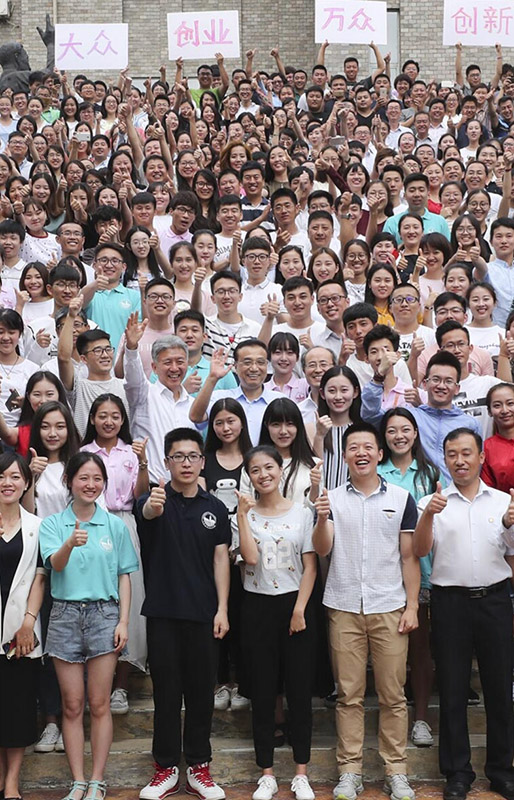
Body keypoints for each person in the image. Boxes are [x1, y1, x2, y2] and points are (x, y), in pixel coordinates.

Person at [312, 422, 420, 800]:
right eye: (353, 447)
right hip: (343, 605)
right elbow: (322, 550)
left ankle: (396, 771)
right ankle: (350, 771)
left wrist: (412, 606)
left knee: (393, 694)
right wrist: (321, 518)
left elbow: (409, 557)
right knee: (349, 695)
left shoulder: (402, 498)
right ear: (344, 456)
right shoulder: (331, 499)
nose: (361, 453)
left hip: (389, 606)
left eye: (367, 447)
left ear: (379, 453)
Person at [414, 428, 514, 800]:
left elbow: (510, 552)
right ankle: (457, 773)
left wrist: (509, 524)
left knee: (499, 689)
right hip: (449, 603)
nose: (460, 461)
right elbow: (420, 550)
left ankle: (502, 770)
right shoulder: (432, 502)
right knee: (453, 689)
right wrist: (428, 516)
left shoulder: (502, 501)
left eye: (467, 453)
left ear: (481, 457)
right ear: (445, 459)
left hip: (495, 600)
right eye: (452, 454)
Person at [39, 452, 139, 800]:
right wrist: (70, 542)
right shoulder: (53, 524)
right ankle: (77, 780)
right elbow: (55, 565)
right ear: (69, 481)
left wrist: (123, 621)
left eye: (97, 479)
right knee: (71, 704)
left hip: (104, 615)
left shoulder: (115, 525)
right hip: (64, 615)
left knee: (99, 703)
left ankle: (97, 780)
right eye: (83, 477)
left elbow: (125, 576)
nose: (91, 484)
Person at [136, 428, 230, 800]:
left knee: (201, 695)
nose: (186, 463)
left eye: (192, 456)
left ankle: (198, 768)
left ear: (202, 462)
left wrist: (222, 609)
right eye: (178, 456)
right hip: (163, 614)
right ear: (167, 461)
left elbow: (221, 559)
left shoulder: (215, 508)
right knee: (166, 695)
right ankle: (165, 769)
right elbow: (147, 513)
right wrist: (153, 506)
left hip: (205, 615)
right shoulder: (154, 500)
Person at [234, 445, 317, 800]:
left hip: (295, 603)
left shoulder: (302, 512)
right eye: (255, 470)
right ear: (249, 476)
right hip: (257, 606)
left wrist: (299, 610)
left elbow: (310, 566)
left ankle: (301, 772)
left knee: (299, 690)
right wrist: (242, 516)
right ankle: (266, 773)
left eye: (269, 467)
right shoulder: (244, 515)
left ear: (280, 469)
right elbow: (250, 558)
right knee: (263, 691)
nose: (263, 475)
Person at [81, 394, 149, 715]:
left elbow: (140, 495)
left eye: (115, 416)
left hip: (124, 523)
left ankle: (120, 685)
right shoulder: (83, 453)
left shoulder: (131, 453)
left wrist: (144, 462)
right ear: (92, 418)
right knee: (93, 598)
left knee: (128, 602)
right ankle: (94, 683)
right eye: (102, 415)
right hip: (89, 523)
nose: (109, 422)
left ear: (123, 420)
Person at [378, 408, 440, 748]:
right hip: (384, 570)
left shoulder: (428, 473)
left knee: (419, 646)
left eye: (405, 429)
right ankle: (392, 715)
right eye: (391, 430)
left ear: (416, 434)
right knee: (388, 649)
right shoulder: (377, 471)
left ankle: (421, 719)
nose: (399, 436)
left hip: (422, 569)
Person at [361, 351, 482, 481]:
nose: (441, 386)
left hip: (455, 490)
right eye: (435, 379)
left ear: (457, 388)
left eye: (448, 381)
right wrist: (379, 377)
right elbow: (370, 415)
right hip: (417, 489)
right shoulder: (409, 417)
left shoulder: (470, 424)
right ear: (424, 384)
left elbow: (476, 466)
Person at [0, 453, 45, 800]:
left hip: (20, 632)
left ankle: (12, 779)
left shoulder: (38, 526)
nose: (7, 483)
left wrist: (29, 622)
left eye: (15, 477)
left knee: (16, 707)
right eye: (1, 476)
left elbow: (40, 577)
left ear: (27, 483)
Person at [122, 315, 195, 484]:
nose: (174, 368)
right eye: (168, 362)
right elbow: (133, 379)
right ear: (154, 367)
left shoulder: (193, 406)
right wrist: (131, 348)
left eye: (180, 362)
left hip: (186, 489)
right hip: (150, 487)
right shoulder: (143, 395)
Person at [189, 339, 276, 445]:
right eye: (247, 363)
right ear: (235, 366)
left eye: (260, 362)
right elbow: (195, 417)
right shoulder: (220, 398)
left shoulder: (278, 400)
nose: (254, 368)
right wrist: (212, 378)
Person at [482, 383, 514, 492]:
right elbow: (488, 491)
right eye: (497, 405)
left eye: (510, 403)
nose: (505, 410)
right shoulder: (487, 448)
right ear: (489, 411)